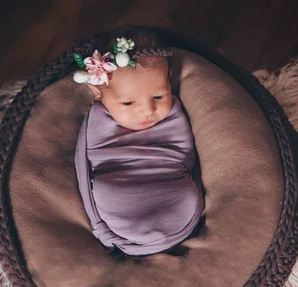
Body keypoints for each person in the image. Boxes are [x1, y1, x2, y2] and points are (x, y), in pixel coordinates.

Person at [73, 30, 204, 256]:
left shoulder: (175, 113)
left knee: (185, 191)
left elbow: (187, 158)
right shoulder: (97, 121)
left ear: (169, 78)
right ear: (97, 92)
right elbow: (83, 165)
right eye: (127, 102)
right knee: (105, 190)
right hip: (117, 191)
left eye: (158, 96)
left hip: (173, 190)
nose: (147, 111)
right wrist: (101, 230)